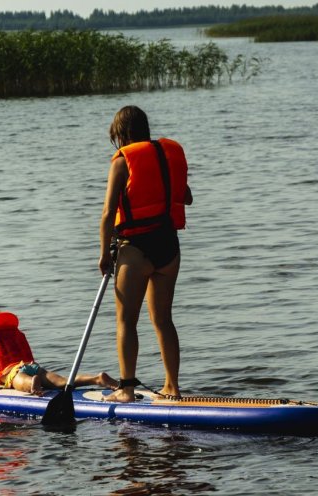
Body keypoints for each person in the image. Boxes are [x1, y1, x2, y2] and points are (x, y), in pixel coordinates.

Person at [99, 105, 193, 403]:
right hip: (169, 247)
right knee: (163, 319)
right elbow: (185, 197)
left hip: (136, 248)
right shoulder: (164, 156)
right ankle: (172, 388)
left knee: (126, 321)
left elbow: (107, 214)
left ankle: (126, 390)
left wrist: (103, 255)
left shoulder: (122, 162)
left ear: (121, 135)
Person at [0, 310, 118, 395]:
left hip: (14, 373)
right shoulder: (15, 336)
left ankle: (32, 383)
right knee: (62, 382)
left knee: (20, 382)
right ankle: (97, 379)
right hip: (33, 366)